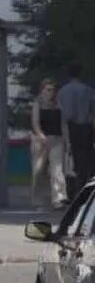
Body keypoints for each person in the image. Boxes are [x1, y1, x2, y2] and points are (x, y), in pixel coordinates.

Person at [57, 63, 95, 192]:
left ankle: (72, 188)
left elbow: (63, 113)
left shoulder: (63, 91)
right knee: (85, 158)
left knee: (70, 157)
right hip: (86, 127)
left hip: (70, 127)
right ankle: (85, 185)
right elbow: (92, 112)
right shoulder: (88, 90)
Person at [31, 78, 68, 209]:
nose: (51, 93)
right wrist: (41, 136)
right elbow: (35, 123)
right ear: (42, 90)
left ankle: (58, 199)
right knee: (38, 171)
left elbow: (63, 124)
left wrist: (66, 140)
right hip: (40, 140)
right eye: (48, 90)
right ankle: (38, 200)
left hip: (56, 139)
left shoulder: (58, 104)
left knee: (57, 170)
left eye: (53, 90)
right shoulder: (37, 104)